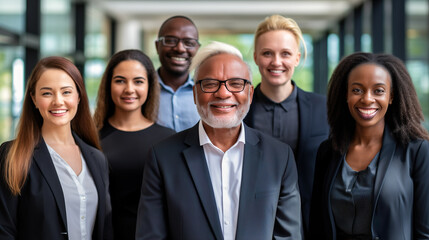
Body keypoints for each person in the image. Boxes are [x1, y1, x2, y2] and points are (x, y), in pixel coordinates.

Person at [136, 41, 302, 240]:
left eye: (235, 83)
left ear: (249, 94)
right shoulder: (162, 157)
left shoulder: (279, 157)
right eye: (210, 84)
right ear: (195, 94)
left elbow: (288, 236)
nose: (223, 93)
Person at [309, 52, 429, 239]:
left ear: (391, 97)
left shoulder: (416, 150)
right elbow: (317, 226)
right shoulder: (328, 151)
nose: (367, 99)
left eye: (378, 90)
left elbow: (425, 232)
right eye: (357, 90)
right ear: (345, 95)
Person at [0, 56, 112, 239]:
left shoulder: (97, 159)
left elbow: (105, 229)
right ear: (34, 100)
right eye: (47, 93)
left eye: (66, 92)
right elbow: (4, 229)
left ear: (79, 97)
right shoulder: (13, 155)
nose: (58, 101)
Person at [244, 14, 329, 235]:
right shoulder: (238, 110)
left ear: (297, 58)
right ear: (255, 57)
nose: (276, 62)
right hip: (250, 224)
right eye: (267, 53)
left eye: (285, 54)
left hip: (313, 225)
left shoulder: (325, 108)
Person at [93, 49, 175, 240]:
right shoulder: (90, 139)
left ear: (149, 86)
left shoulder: (169, 140)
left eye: (138, 81)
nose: (129, 89)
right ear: (108, 85)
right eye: (120, 80)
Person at [155, 15, 201, 132]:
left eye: (189, 43)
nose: (180, 49)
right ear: (157, 46)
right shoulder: (141, 92)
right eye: (170, 41)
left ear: (197, 49)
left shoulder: (206, 93)